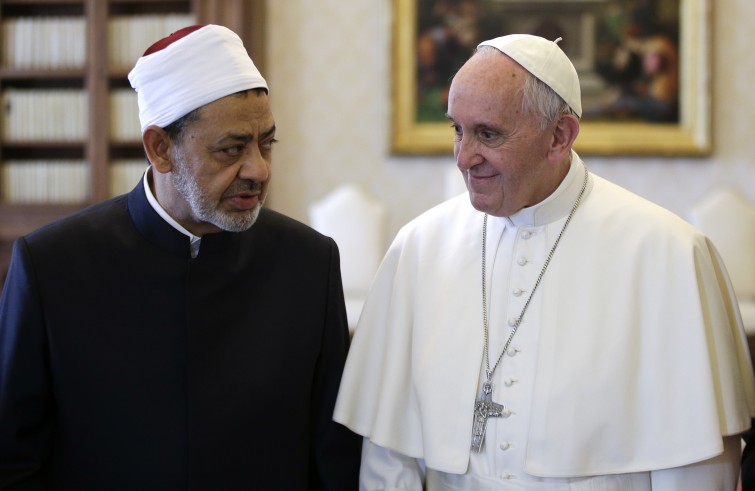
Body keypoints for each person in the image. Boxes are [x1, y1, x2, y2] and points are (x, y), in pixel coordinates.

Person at [334, 33, 755, 489]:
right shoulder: (419, 247)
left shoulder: (668, 253)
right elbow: (388, 450)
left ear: (559, 136)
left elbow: (694, 461)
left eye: (487, 134)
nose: (463, 157)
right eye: (457, 129)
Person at [0, 24, 361, 490]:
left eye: (266, 143)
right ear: (160, 149)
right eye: (232, 149)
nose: (259, 169)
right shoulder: (51, 266)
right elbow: (12, 460)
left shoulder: (309, 263)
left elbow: (336, 457)